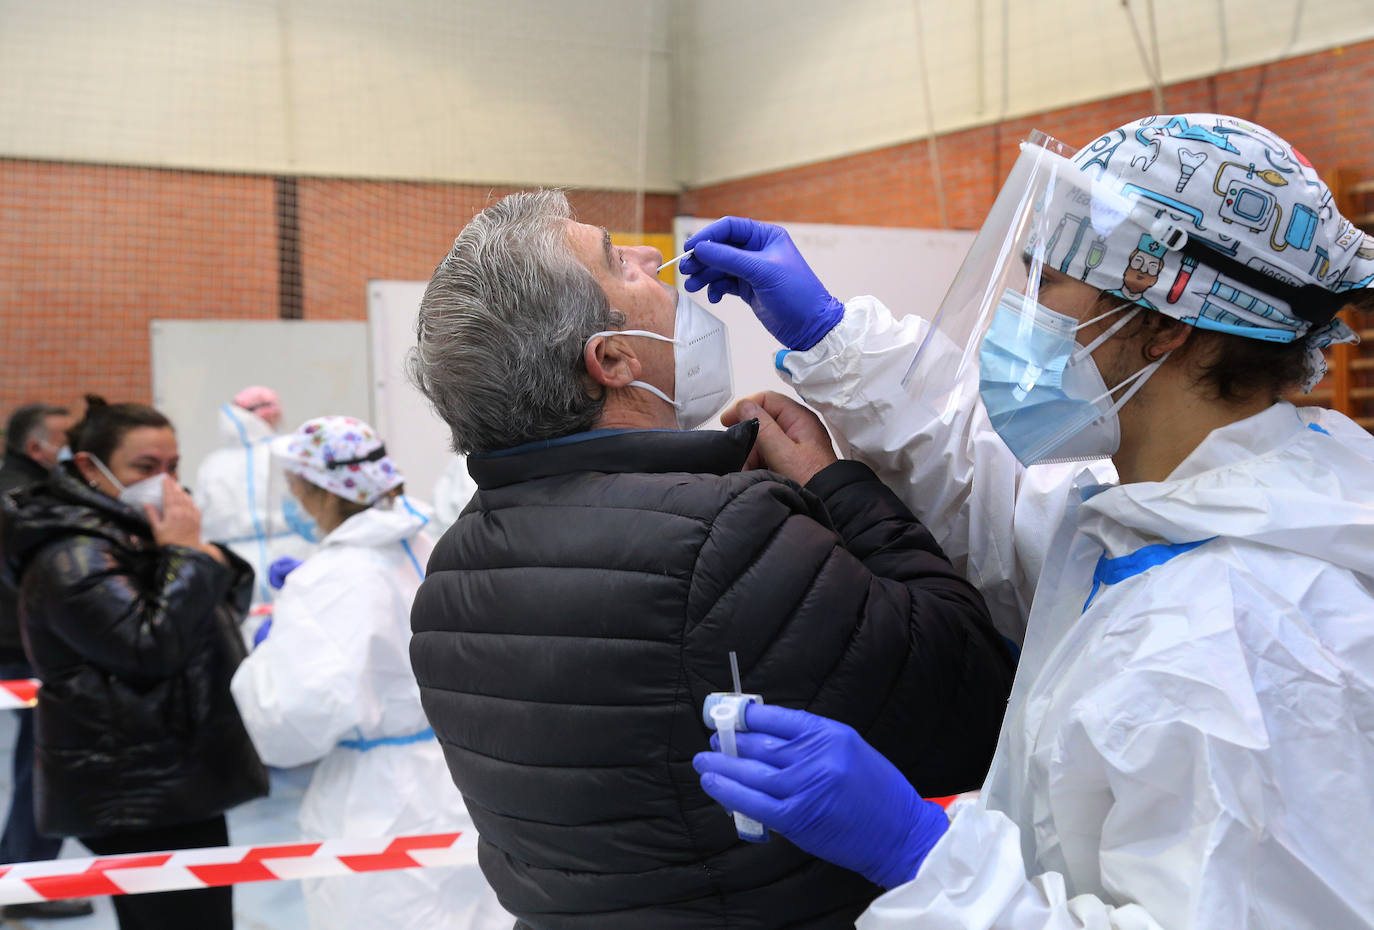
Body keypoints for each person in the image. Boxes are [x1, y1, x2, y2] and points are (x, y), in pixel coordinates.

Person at [685, 113, 1374, 927]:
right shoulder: (1167, 516)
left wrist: (927, 859)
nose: (1022, 314)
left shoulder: (1241, 643)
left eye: (1047, 283)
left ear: (1162, 324)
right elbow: (991, 493)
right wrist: (832, 338)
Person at [406, 189, 1015, 929]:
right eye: (617, 264)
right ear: (613, 359)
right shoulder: (724, 534)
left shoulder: (452, 573)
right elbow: (973, 689)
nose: (644, 254)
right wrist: (833, 482)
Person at [229, 416, 510, 930]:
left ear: (319, 492)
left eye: (294, 487)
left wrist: (266, 662)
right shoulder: (431, 544)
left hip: (379, 799)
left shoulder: (331, 578)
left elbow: (292, 720)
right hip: (465, 775)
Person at [0, 395, 268, 930]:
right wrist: (190, 557)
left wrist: (202, 561)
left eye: (172, 466)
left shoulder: (137, 528)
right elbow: (150, 647)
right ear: (89, 468)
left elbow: (218, 608)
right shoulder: (71, 555)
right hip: (137, 788)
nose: (165, 481)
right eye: (145, 468)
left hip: (172, 773)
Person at [0, 403, 92, 921]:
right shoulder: (23, 499)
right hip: (23, 651)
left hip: (21, 646)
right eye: (63, 439)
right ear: (36, 447)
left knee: (35, 760)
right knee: (45, 764)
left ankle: (14, 868)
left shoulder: (22, 489)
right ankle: (29, 883)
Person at [194, 386, 315, 605]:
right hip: (290, 557)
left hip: (236, 566)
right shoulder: (288, 451)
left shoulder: (213, 464)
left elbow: (201, 519)